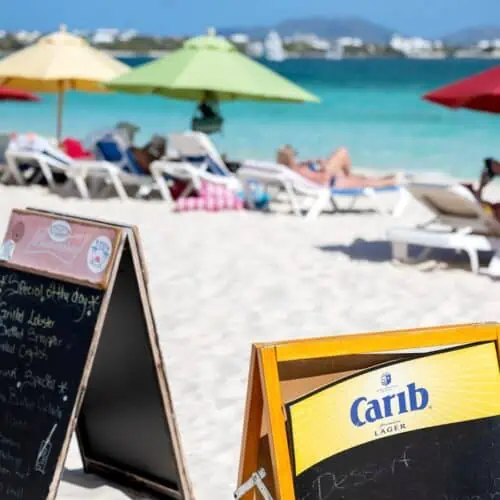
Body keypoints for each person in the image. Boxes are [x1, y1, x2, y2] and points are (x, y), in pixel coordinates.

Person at [276, 144, 401, 188]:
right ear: (290, 158)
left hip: (330, 179)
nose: (295, 157)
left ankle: (388, 179)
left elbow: (311, 175)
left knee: (363, 180)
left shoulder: (293, 169)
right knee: (342, 152)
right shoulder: (297, 171)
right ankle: (392, 180)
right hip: (330, 181)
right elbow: (320, 179)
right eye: (293, 154)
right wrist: (324, 168)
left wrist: (314, 164)